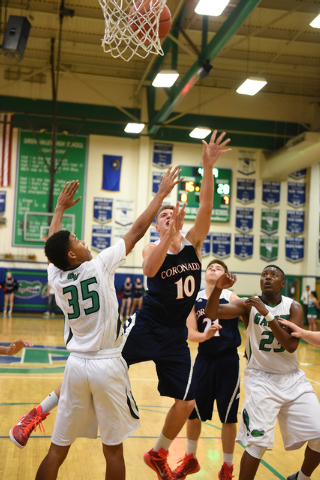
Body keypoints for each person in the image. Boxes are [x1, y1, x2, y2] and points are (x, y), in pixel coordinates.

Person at [10, 167, 182, 480]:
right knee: (112, 449)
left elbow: (53, 246)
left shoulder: (57, 276)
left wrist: (59, 210)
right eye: (76, 240)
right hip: (107, 366)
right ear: (73, 256)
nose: (82, 240)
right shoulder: (99, 265)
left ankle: (37, 414)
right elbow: (139, 229)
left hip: (75, 367)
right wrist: (161, 194)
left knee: (57, 449)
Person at [122, 130, 232, 480]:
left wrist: (208, 167)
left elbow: (206, 206)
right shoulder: (150, 247)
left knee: (187, 401)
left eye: (173, 213)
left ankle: (158, 451)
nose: (170, 216)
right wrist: (168, 235)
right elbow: (151, 268)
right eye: (163, 215)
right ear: (157, 225)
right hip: (147, 324)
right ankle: (46, 406)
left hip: (173, 334)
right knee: (101, 363)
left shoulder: (194, 242)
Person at [205, 265, 320, 480]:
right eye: (264, 275)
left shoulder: (293, 307)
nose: (267, 278)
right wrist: (218, 290)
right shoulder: (249, 305)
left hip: (292, 378)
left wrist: (266, 313)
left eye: (273, 275)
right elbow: (212, 313)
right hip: (261, 380)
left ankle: (302, 478)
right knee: (257, 444)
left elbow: (291, 345)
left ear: (283, 283)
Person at [174, 259, 240, 480]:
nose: (213, 269)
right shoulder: (195, 300)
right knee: (193, 414)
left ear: (226, 276)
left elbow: (250, 321)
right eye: (210, 268)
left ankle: (227, 467)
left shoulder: (231, 298)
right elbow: (189, 332)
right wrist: (205, 336)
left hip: (228, 361)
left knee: (229, 417)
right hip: (204, 359)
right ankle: (190, 459)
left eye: (218, 268)